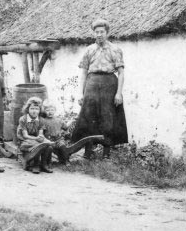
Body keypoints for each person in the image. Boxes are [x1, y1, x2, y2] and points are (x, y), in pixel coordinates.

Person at [72, 18, 128, 160]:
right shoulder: (89, 50)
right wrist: (81, 92)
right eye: (96, 32)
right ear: (93, 33)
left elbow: (121, 73)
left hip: (109, 84)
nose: (99, 34)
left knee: (108, 117)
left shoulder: (115, 50)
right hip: (92, 83)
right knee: (88, 117)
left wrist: (119, 93)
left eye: (102, 32)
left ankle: (106, 152)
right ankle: (88, 151)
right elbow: (84, 72)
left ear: (107, 32)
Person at [17, 97, 53, 174]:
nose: (34, 111)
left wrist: (41, 137)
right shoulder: (23, 119)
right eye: (32, 108)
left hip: (36, 139)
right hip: (25, 140)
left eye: (37, 109)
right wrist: (37, 139)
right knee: (38, 145)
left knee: (48, 145)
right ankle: (35, 165)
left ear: (40, 110)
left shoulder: (41, 120)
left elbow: (40, 133)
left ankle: (44, 164)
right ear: (28, 109)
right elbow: (25, 135)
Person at [41, 99, 70, 165]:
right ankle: (48, 161)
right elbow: (42, 132)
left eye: (52, 110)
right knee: (48, 148)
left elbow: (65, 127)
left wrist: (69, 125)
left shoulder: (59, 120)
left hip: (58, 139)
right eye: (47, 110)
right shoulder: (43, 121)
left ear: (55, 110)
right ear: (44, 111)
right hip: (49, 140)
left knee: (63, 146)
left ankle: (66, 160)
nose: (50, 112)